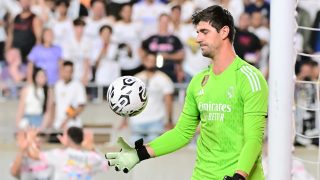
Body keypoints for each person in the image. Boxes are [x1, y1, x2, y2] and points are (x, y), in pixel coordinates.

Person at [106, 5, 268, 180]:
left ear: (224, 32)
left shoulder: (250, 78)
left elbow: (254, 139)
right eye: (197, 32)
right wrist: (139, 154)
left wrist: (239, 176)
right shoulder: (198, 82)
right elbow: (182, 133)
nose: (198, 39)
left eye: (204, 32)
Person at [120, 52, 174, 143]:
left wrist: (169, 120)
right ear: (144, 61)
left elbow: (168, 101)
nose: (150, 62)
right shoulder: (136, 78)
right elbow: (129, 100)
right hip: (137, 120)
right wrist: (124, 119)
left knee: (154, 149)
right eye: (148, 60)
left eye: (152, 60)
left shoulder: (164, 79)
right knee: (134, 148)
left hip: (156, 120)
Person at [53, 61, 87, 130]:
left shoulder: (78, 85)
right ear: (62, 71)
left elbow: (80, 106)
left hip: (73, 125)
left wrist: (66, 120)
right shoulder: (57, 85)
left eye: (69, 71)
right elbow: (54, 105)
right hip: (58, 124)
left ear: (72, 72)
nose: (67, 74)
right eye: (65, 71)